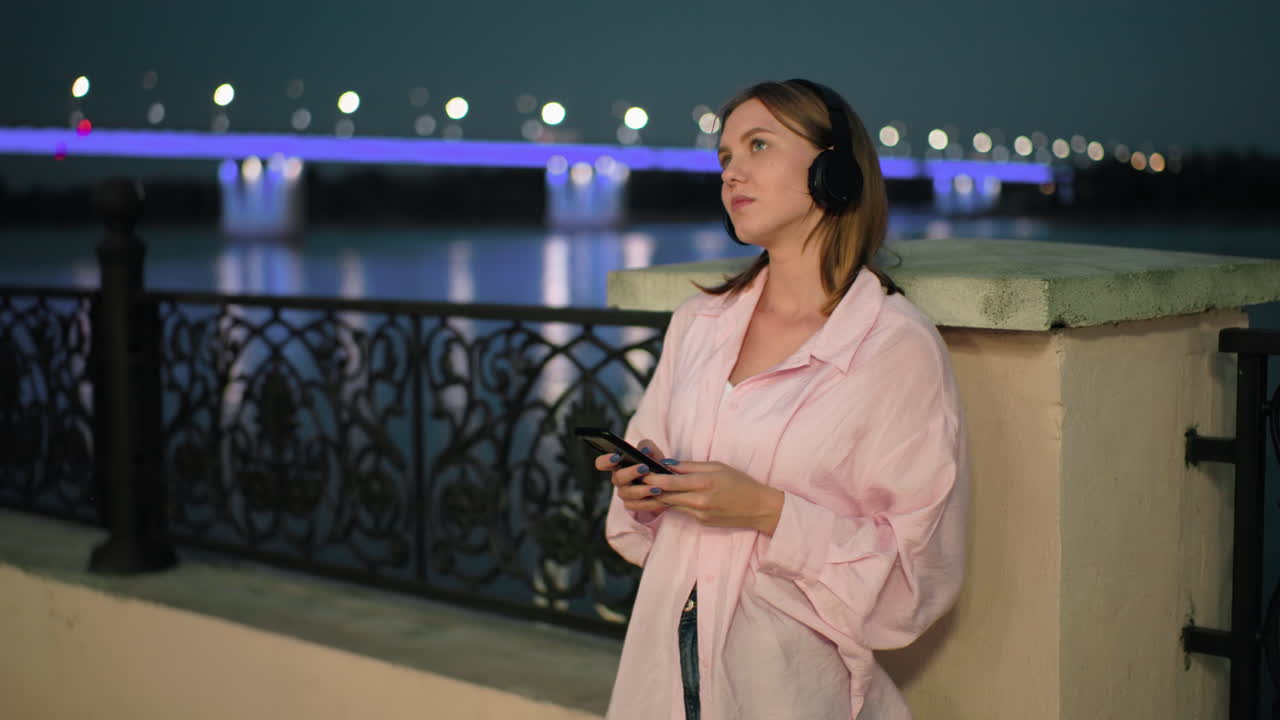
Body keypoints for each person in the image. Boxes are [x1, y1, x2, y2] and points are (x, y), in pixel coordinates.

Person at [597, 78, 969, 720]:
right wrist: (643, 490)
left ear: (835, 173)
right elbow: (634, 533)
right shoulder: (699, 323)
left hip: (791, 691)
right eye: (724, 157)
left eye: (758, 146)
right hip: (659, 678)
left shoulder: (892, 346)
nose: (731, 173)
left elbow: (919, 575)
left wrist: (769, 511)